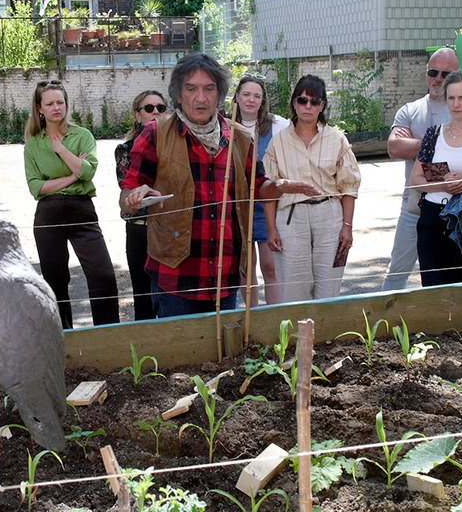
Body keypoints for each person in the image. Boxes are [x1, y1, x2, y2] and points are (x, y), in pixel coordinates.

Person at [119, 53, 319, 318]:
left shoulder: (239, 137)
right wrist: (135, 196)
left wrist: (279, 186)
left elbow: (258, 187)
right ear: (178, 95)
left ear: (220, 94)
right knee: (181, 345)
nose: (200, 98)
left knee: (225, 345)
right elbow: (127, 195)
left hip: (225, 275)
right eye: (191, 89)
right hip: (175, 276)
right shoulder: (156, 134)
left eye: (209, 89)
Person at [24, 80, 119, 329]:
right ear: (39, 108)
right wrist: (73, 176)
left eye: (60, 102)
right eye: (50, 104)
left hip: (81, 210)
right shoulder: (33, 143)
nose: (56, 108)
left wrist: (61, 149)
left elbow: (88, 171)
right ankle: (62, 336)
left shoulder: (82, 135)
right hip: (48, 214)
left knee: (103, 275)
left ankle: (108, 334)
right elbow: (36, 187)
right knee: (54, 281)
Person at [263, 75, 360, 302]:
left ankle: (325, 327)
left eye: (314, 101)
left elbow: (349, 186)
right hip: (291, 218)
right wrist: (271, 229)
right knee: (293, 288)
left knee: (328, 287)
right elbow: (268, 190)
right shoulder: (278, 142)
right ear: (294, 103)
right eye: (302, 100)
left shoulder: (337, 139)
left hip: (329, 215)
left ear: (322, 106)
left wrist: (347, 227)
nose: (308, 106)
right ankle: (298, 327)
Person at [382, 48, 460, 291]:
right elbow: (394, 148)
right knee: (397, 274)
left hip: (455, 209)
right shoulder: (410, 110)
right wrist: (438, 145)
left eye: (445, 74)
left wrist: (418, 150)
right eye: (433, 72)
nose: (438, 79)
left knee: (450, 277)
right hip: (414, 207)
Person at [410, 71, 462, 286]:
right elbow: (416, 179)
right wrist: (444, 184)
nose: (456, 104)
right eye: (451, 98)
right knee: (433, 288)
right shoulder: (434, 134)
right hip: (432, 219)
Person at [231, 74, 289, 306]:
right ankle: (252, 319)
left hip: (267, 206)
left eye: (257, 96)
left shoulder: (277, 125)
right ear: (237, 97)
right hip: (238, 206)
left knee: (271, 267)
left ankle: (275, 318)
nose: (251, 100)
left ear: (263, 100)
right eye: (246, 94)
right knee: (246, 269)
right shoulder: (225, 125)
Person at [115, 90, 167, 321]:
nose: (155, 112)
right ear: (138, 115)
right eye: (149, 108)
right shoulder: (125, 150)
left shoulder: (176, 148)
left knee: (169, 297)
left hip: (169, 228)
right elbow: (128, 190)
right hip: (139, 228)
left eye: (160, 108)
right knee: (143, 298)